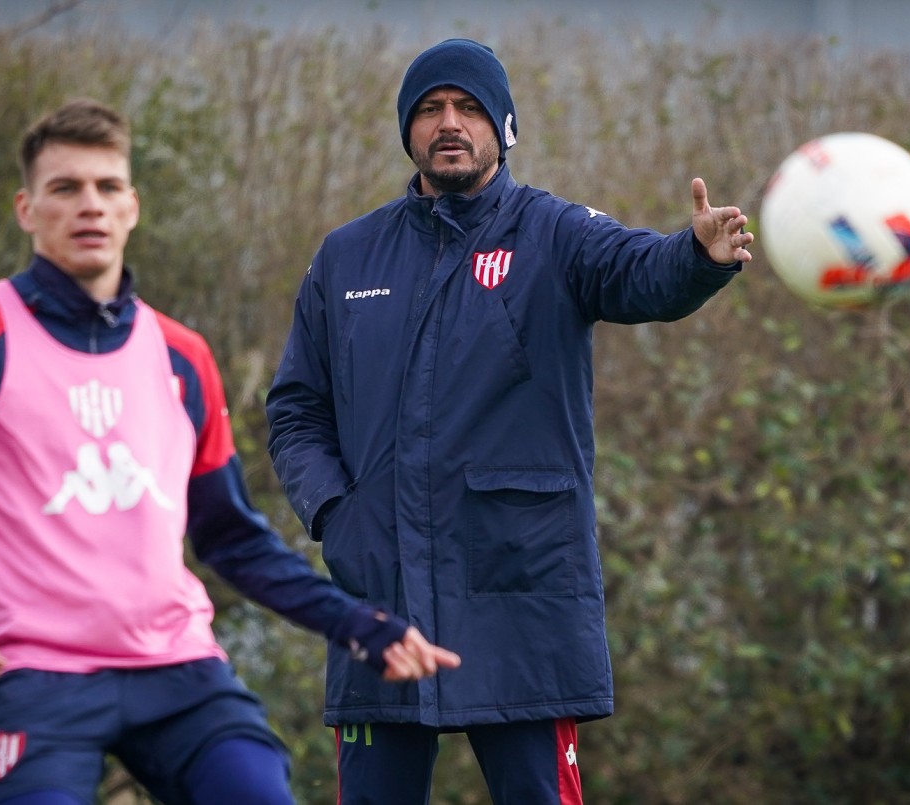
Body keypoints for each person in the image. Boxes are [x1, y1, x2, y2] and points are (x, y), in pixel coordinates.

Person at [0, 98, 459, 805]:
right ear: (25, 209)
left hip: (178, 671)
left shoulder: (182, 354)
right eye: (65, 188)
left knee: (257, 788)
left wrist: (361, 625)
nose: (90, 206)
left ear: (132, 206)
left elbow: (232, 539)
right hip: (38, 677)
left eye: (107, 187)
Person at [263, 37, 754, 804]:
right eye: (430, 110)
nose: (449, 123)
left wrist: (696, 257)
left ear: (505, 125)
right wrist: (336, 510)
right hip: (381, 589)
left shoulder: (555, 233)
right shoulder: (347, 258)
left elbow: (639, 274)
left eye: (468, 107)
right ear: (408, 130)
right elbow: (295, 409)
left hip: (519, 589)